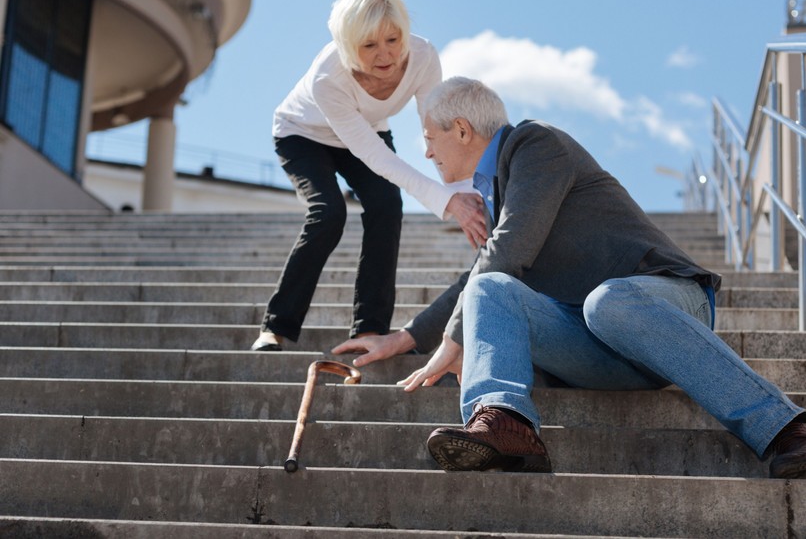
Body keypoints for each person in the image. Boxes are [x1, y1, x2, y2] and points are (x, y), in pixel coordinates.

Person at [333, 76, 806, 479]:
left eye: (429, 137)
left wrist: (454, 342)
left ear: (461, 129)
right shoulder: (499, 188)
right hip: (604, 348)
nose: (425, 150)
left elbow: (510, 247)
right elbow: (481, 277)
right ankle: (506, 422)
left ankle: (785, 427)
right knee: (491, 288)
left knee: (605, 302)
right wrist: (406, 336)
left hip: (666, 306)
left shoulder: (535, 144)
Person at [250, 0, 486, 352]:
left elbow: (437, 135)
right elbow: (375, 156)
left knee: (387, 204)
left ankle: (368, 329)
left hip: (367, 131)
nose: (385, 56)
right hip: (303, 134)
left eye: (393, 40)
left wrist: (466, 197)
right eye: (369, 45)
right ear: (348, 46)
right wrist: (443, 202)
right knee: (328, 213)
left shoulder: (423, 57)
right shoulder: (329, 75)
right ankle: (275, 326)